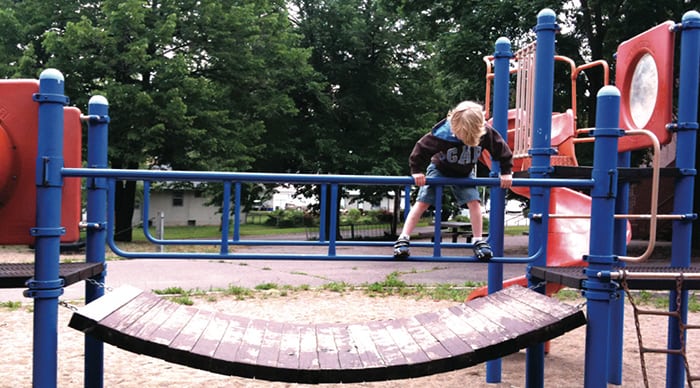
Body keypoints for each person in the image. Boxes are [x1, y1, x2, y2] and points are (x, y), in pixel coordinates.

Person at [393, 100, 513, 260]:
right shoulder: (442, 134)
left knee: (474, 202)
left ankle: (478, 240)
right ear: (454, 127)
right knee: (423, 201)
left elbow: (502, 150)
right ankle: (404, 238)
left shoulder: (486, 133)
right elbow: (420, 149)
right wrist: (417, 171)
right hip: (439, 169)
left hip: (464, 173)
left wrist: (506, 172)